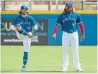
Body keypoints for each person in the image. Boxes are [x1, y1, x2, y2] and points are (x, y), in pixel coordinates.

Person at [52, 2, 85, 72]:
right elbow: (57, 25)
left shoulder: (76, 15)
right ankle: (64, 67)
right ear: (65, 7)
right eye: (67, 6)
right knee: (65, 51)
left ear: (72, 7)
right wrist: (54, 33)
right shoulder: (61, 16)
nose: (68, 8)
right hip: (65, 34)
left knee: (75, 50)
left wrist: (83, 34)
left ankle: (77, 67)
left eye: (70, 7)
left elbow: (81, 25)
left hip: (74, 34)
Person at [10, 5, 38, 71]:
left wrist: (32, 32)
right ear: (21, 10)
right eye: (23, 9)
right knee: (15, 27)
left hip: (27, 36)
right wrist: (27, 33)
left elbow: (35, 25)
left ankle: (24, 66)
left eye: (25, 9)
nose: (24, 11)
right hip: (20, 35)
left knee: (26, 51)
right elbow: (17, 28)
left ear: (27, 10)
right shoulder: (18, 18)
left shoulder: (30, 18)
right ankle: (28, 34)